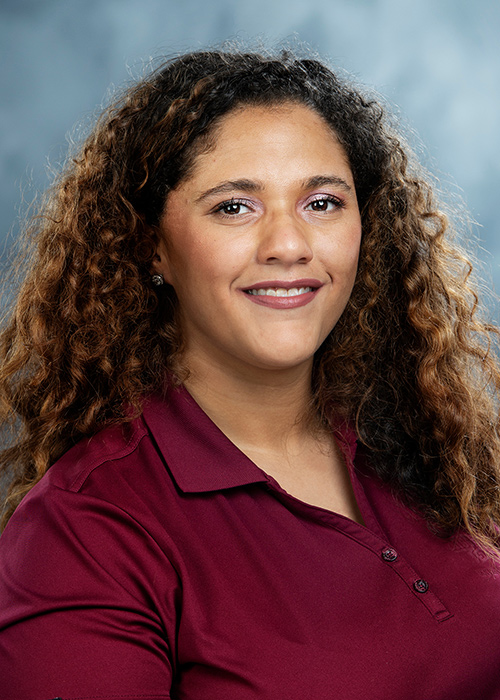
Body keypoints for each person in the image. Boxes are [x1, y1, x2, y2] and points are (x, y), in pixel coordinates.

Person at [0, 47, 500, 700]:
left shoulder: (427, 432)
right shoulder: (84, 530)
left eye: (322, 202)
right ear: (152, 244)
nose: (289, 245)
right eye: (235, 207)